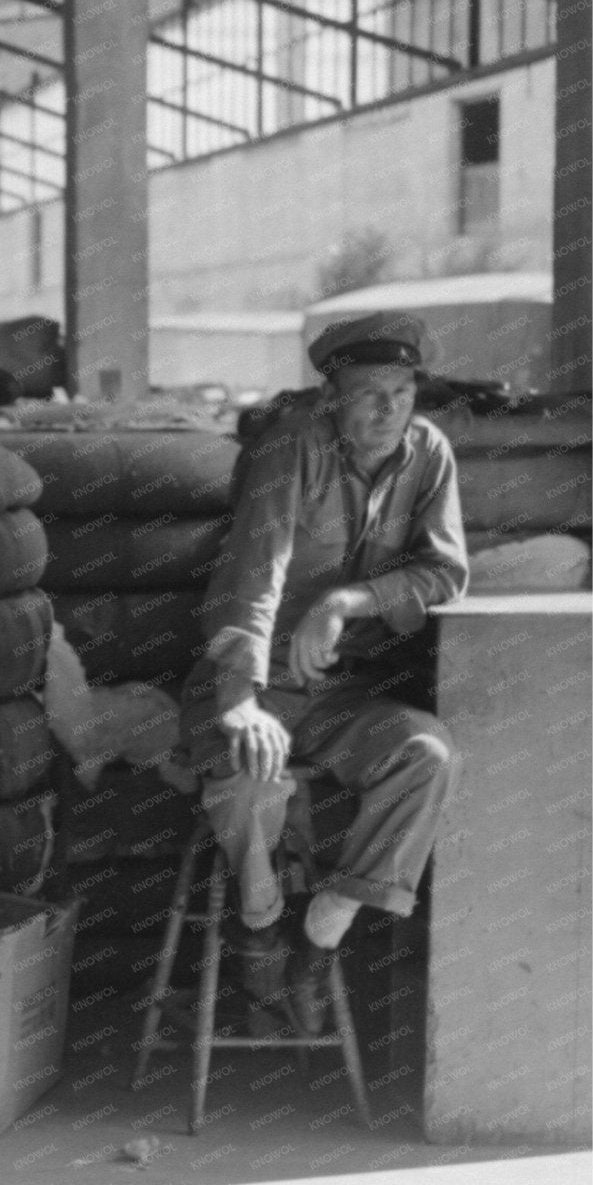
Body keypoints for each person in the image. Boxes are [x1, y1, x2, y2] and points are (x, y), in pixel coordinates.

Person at [184, 311, 467, 1032]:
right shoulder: (293, 447)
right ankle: (258, 927)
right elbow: (258, 568)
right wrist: (240, 697)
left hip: (347, 693)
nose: (389, 409)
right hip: (260, 683)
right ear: (333, 394)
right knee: (249, 773)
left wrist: (350, 599)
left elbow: (444, 572)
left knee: (428, 755)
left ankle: (321, 936)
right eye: (372, 392)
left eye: (403, 392)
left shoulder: (429, 453)